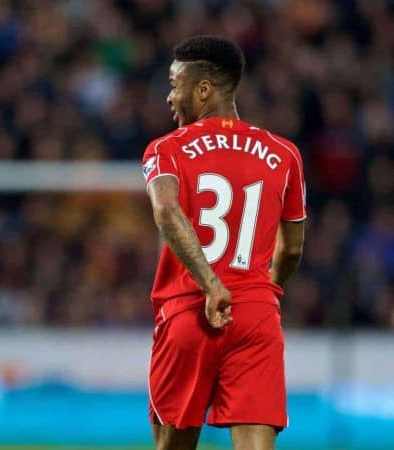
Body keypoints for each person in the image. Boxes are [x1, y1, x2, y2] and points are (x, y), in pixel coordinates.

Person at [142, 35, 306, 450]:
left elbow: (165, 210)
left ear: (202, 90)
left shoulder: (166, 150)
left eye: (174, 84)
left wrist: (212, 284)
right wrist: (261, 292)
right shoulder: (284, 154)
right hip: (255, 315)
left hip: (190, 310)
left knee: (173, 444)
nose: (169, 97)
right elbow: (292, 249)